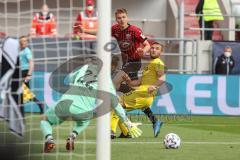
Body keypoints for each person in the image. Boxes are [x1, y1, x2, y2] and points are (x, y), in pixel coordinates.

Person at [40, 58, 142, 152]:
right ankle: (72, 136)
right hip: (83, 111)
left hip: (64, 103)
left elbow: (70, 79)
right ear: (112, 67)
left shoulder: (85, 68)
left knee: (45, 119)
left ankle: (49, 139)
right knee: (84, 121)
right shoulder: (106, 80)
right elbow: (115, 104)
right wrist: (128, 123)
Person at [111, 42, 165, 138]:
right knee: (119, 109)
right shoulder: (149, 66)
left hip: (144, 94)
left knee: (116, 105)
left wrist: (154, 86)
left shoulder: (158, 62)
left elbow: (162, 78)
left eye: (157, 48)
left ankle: (111, 131)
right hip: (142, 94)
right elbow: (136, 83)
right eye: (152, 48)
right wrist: (128, 80)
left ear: (161, 52)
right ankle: (126, 132)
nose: (153, 50)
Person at [19, 36, 44, 115]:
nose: (24, 42)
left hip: (25, 73)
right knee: (25, 93)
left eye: (26, 41)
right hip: (20, 73)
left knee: (23, 92)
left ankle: (20, 110)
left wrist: (29, 75)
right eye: (23, 41)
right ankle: (40, 105)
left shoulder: (27, 51)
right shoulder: (19, 50)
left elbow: (31, 63)